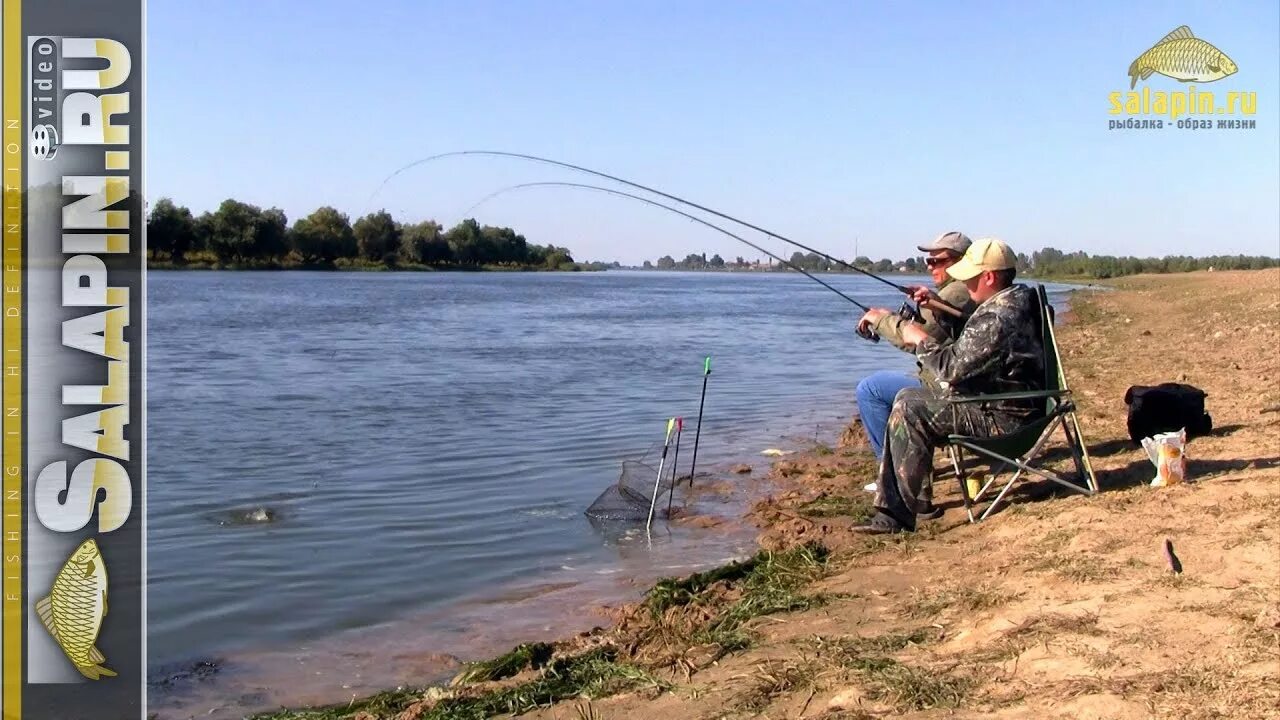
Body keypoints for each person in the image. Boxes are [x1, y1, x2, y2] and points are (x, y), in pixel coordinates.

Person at [854, 238, 1045, 534]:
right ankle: (908, 501)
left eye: (969, 276)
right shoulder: (1018, 301)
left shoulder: (996, 317)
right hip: (1018, 409)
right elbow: (979, 341)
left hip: (1003, 424)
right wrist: (940, 308)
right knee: (909, 396)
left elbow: (951, 368)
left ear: (989, 277)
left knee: (910, 406)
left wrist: (916, 336)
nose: (964, 282)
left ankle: (897, 515)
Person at [853, 232, 977, 515]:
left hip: (948, 386)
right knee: (884, 388)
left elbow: (921, 343)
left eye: (938, 260)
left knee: (870, 389)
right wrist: (926, 304)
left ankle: (895, 476)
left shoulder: (957, 292)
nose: (931, 265)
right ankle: (906, 472)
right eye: (928, 260)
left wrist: (883, 319)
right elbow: (940, 332)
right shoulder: (956, 291)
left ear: (961, 261)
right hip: (953, 379)